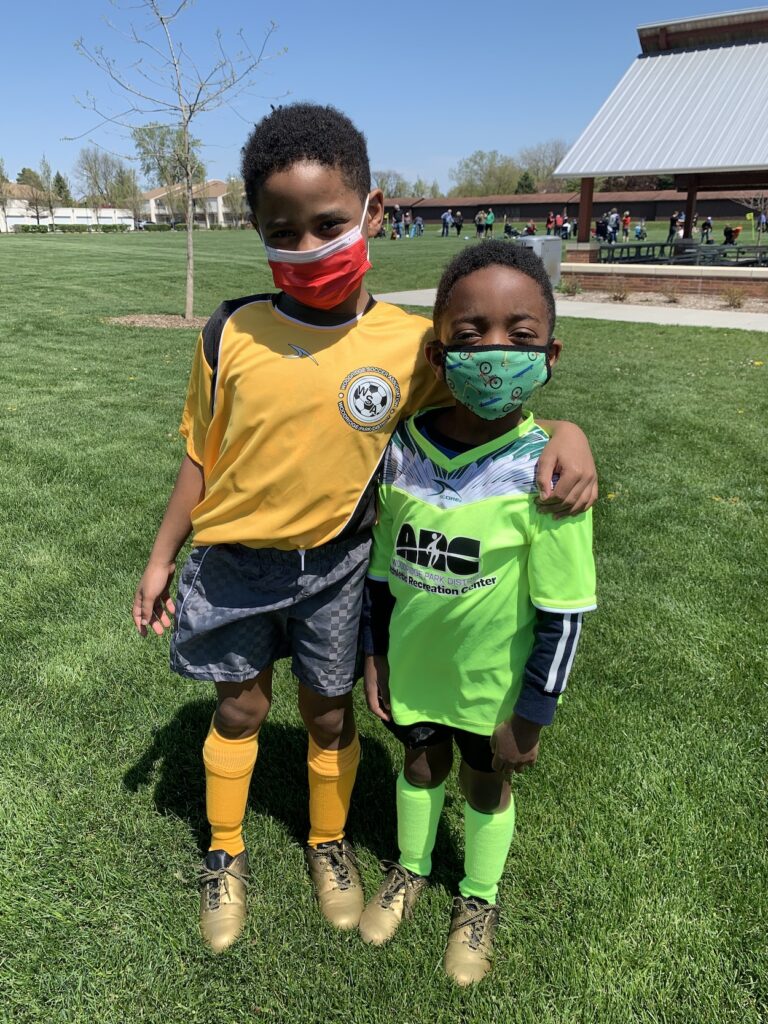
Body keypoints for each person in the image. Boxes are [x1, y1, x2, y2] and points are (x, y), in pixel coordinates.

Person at [131, 102, 600, 956]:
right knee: (238, 708)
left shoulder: (410, 342)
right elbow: (200, 456)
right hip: (231, 563)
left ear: (373, 213)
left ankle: (327, 842)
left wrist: (570, 434)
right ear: (257, 230)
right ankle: (225, 851)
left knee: (327, 713)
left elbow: (494, 397)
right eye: (285, 231)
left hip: (340, 566)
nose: (309, 248)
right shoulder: (227, 333)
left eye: (330, 224)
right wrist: (163, 556)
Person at [358, 241, 596, 985]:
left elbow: (565, 610)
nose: (495, 351)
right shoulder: (400, 450)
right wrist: (378, 653)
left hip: (495, 687)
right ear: (438, 353)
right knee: (419, 762)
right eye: (471, 335)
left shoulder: (549, 474)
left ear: (550, 353)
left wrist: (534, 711)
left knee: (487, 784)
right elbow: (380, 572)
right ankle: (410, 869)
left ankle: (480, 899)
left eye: (520, 337)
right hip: (417, 670)